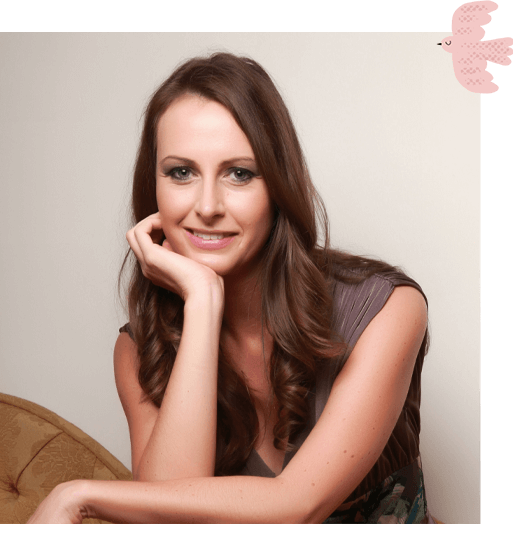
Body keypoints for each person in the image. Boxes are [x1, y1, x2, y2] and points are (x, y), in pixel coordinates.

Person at [27, 52, 434, 524]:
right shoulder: (138, 349)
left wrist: (77, 495)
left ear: (277, 185)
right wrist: (202, 302)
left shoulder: (387, 310)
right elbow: (168, 511)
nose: (207, 206)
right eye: (181, 172)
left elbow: (299, 505)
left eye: (239, 173)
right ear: (152, 186)